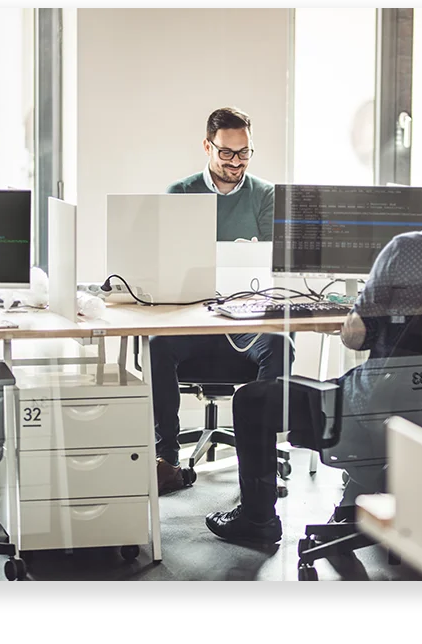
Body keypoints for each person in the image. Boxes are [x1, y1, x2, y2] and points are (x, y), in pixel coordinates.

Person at [204, 154, 422, 544]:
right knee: (379, 390)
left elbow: (356, 337)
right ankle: (352, 509)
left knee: (253, 400)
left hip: (375, 413)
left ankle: (257, 521)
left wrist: (355, 318)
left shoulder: (405, 250)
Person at [150, 107, 293, 493]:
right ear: (207, 146)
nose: (235, 163)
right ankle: (167, 460)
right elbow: (165, 262)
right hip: (193, 322)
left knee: (281, 344)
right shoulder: (180, 194)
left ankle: (259, 470)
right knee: (157, 345)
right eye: (226, 153)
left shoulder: (264, 195)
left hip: (244, 322)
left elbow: (272, 265)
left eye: (244, 153)